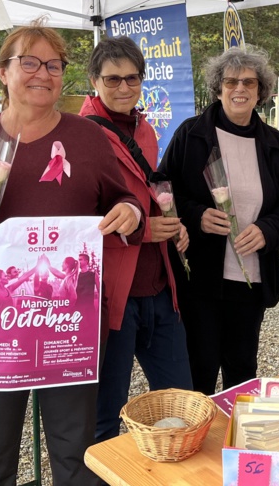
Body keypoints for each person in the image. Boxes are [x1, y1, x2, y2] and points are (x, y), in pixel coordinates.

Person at [0, 19, 142, 486]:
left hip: (70, 323)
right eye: (29, 62)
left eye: (54, 64)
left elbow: (121, 200)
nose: (43, 73)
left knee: (77, 456)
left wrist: (130, 214)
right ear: (3, 71)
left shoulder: (87, 138)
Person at [158, 46, 279, 395]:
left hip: (250, 277)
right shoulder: (191, 135)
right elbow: (163, 190)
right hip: (201, 275)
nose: (240, 89)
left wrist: (267, 231)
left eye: (249, 82)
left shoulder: (274, 143)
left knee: (242, 367)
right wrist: (196, 215)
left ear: (260, 91)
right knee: (199, 366)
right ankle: (197, 438)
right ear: (218, 88)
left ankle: (237, 438)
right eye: (231, 81)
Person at [80, 36, 192, 441]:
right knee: (106, 414)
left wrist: (173, 223)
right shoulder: (79, 135)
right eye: (112, 80)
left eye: (132, 78)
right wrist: (144, 230)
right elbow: (78, 216)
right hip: (113, 292)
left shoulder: (144, 128)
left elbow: (150, 191)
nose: (124, 88)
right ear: (94, 80)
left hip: (159, 286)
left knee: (182, 402)